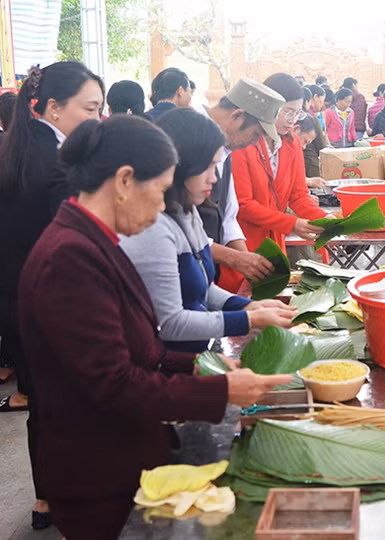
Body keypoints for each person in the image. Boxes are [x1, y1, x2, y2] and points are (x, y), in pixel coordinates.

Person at [17, 114, 293, 538]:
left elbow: (142, 344)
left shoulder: (93, 240)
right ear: (125, 181)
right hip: (97, 467)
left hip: (124, 451)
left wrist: (199, 369)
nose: (165, 207)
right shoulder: (69, 258)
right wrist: (218, 391)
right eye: (162, 190)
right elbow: (113, 384)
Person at [0, 61, 104, 530]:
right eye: (90, 108)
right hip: (50, 303)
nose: (97, 119)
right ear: (55, 108)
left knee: (42, 399)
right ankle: (69, 497)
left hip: (13, 301)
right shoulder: (58, 164)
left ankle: (45, 500)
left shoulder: (13, 149)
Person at [120, 108, 297, 352]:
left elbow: (203, 289)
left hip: (197, 354)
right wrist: (248, 320)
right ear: (183, 164)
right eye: (208, 168)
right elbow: (172, 323)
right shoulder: (154, 228)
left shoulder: (187, 211)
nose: (214, 179)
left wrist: (245, 307)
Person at [228, 73, 329, 290]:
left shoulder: (291, 144)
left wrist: (329, 222)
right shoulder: (244, 143)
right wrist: (291, 223)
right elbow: (243, 204)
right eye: (287, 112)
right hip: (244, 244)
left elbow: (298, 195)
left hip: (275, 243)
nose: (292, 119)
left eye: (297, 112)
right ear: (268, 106)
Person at [195, 77, 286, 293]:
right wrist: (234, 259)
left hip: (206, 276)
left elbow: (228, 217)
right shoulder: (190, 136)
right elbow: (179, 229)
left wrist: (248, 264)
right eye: (255, 135)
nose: (254, 144)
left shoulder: (226, 149)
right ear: (237, 115)